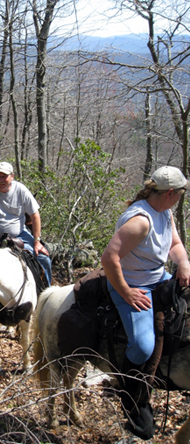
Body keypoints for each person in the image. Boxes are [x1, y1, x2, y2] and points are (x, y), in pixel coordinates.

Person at [101, 165, 190, 439]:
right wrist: (127, 292)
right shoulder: (141, 221)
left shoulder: (165, 211)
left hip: (157, 276)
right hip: (132, 283)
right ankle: (129, 393)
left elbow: (174, 243)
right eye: (180, 194)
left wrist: (184, 263)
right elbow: (108, 259)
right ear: (171, 192)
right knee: (142, 346)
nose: (181, 198)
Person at [0, 161, 52, 285]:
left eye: (4, 176)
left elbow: (35, 215)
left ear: (12, 176)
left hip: (20, 235)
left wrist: (37, 241)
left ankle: (46, 291)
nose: (0, 179)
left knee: (44, 259)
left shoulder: (21, 190)